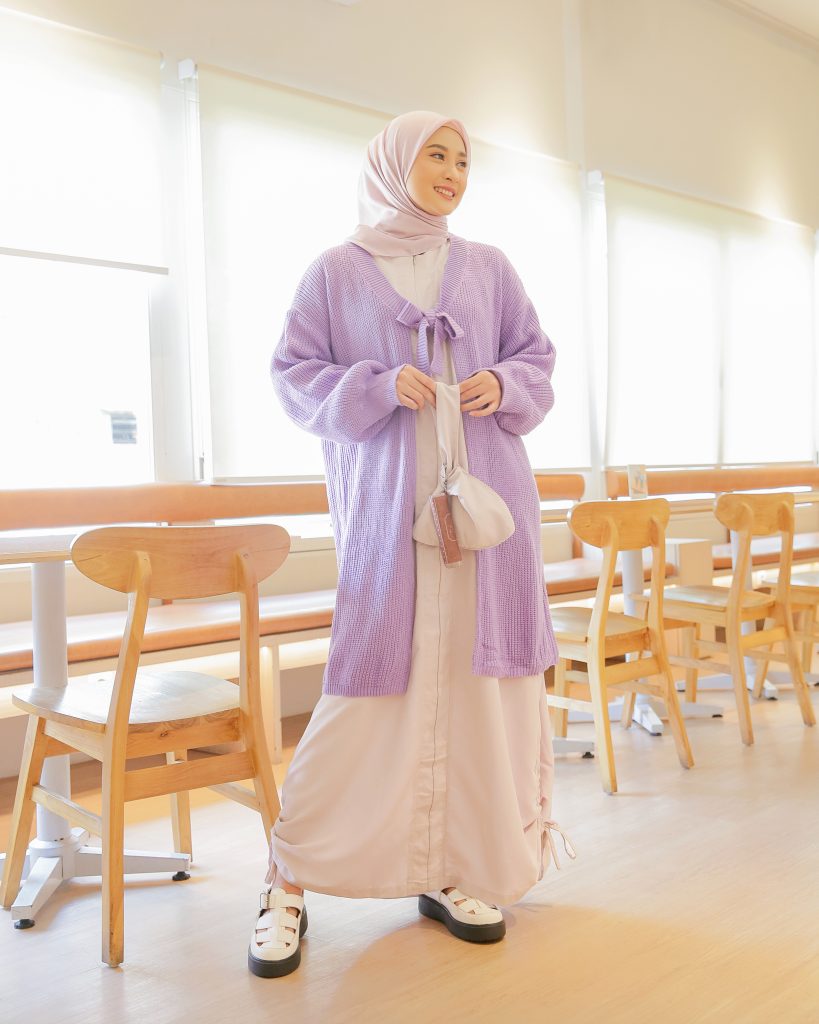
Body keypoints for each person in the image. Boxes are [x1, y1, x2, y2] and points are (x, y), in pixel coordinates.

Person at [248, 110, 575, 979]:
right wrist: (373, 384)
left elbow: (537, 362)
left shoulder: (489, 268)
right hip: (391, 527)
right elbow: (292, 376)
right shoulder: (335, 271)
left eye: (462, 160)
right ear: (394, 163)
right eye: (435, 154)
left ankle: (454, 871)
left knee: (479, 699)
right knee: (362, 705)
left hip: (488, 525)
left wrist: (502, 382)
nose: (452, 172)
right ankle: (285, 882)